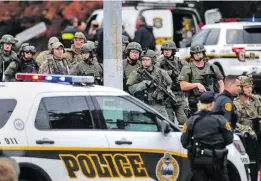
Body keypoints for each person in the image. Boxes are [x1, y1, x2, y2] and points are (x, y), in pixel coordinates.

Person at [181, 91, 233, 181]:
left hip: (197, 160)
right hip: (216, 160)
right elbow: (229, 139)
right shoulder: (220, 120)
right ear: (212, 104)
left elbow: (184, 141)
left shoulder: (191, 120)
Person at [126, 49, 173, 118]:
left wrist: (168, 90)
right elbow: (130, 89)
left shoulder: (161, 72)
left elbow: (170, 83)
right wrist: (144, 84)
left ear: (153, 60)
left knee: (166, 125)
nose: (145, 61)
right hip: (143, 105)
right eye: (143, 59)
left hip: (159, 106)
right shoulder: (136, 73)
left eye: (147, 59)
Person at [179, 43, 224, 114]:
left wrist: (221, 97)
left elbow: (221, 82)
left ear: (203, 53)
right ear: (192, 55)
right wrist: (196, 84)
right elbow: (183, 86)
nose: (198, 55)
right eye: (195, 53)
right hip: (195, 102)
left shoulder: (212, 67)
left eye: (200, 52)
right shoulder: (187, 68)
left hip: (212, 100)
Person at [233, 75, 260, 181]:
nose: (250, 89)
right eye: (247, 87)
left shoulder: (257, 99)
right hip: (247, 137)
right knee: (252, 163)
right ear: (240, 88)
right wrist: (248, 130)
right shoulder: (236, 104)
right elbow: (235, 123)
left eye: (250, 86)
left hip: (259, 133)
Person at [156, 40, 188, 124]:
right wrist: (170, 73)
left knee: (184, 120)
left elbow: (188, 73)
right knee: (169, 121)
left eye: (168, 50)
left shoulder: (180, 62)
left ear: (173, 51)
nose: (166, 52)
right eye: (165, 50)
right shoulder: (159, 62)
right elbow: (155, 73)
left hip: (179, 95)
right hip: (166, 96)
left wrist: (181, 78)